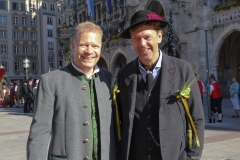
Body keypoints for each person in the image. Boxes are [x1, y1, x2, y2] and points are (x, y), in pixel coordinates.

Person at [117, 10, 205, 160]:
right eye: (136, 38)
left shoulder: (182, 69)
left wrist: (192, 157)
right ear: (131, 41)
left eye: (147, 37)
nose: (142, 43)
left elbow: (196, 118)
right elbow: (119, 120)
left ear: (159, 36)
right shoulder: (124, 74)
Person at [27, 21, 116, 160]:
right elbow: (39, 134)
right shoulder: (51, 81)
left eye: (95, 46)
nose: (89, 51)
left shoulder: (108, 78)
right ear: (73, 46)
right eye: (84, 45)